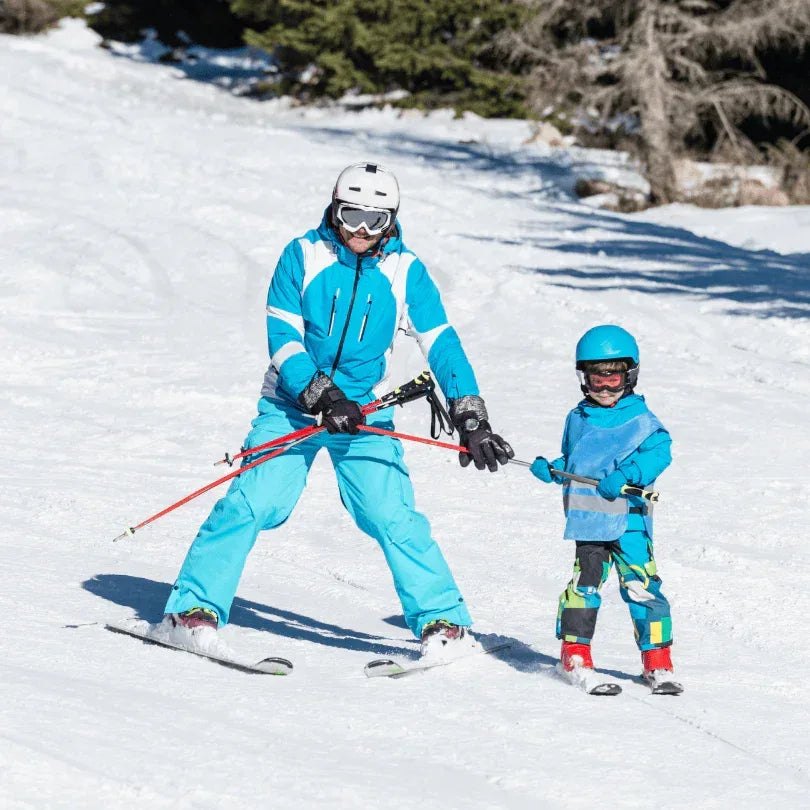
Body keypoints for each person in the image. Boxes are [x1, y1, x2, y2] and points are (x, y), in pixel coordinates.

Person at [162, 161, 513, 659]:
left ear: (391, 219)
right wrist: (322, 396)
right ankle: (189, 610)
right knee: (254, 503)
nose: (360, 232)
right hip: (292, 407)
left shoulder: (405, 271)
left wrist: (471, 416)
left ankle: (444, 622)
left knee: (391, 514)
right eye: (350, 215)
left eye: (374, 220)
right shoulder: (302, 255)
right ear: (333, 207)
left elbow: (443, 345)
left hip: (366, 415)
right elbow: (282, 338)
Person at [530, 325, 680, 691]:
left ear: (629, 376)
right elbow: (576, 460)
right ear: (584, 378)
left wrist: (629, 473)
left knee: (642, 586)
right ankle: (575, 654)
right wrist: (554, 468)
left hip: (629, 522)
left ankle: (657, 661)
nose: (605, 387)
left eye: (613, 378)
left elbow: (661, 454)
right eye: (596, 378)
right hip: (590, 522)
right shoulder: (577, 417)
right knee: (585, 586)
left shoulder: (642, 420)